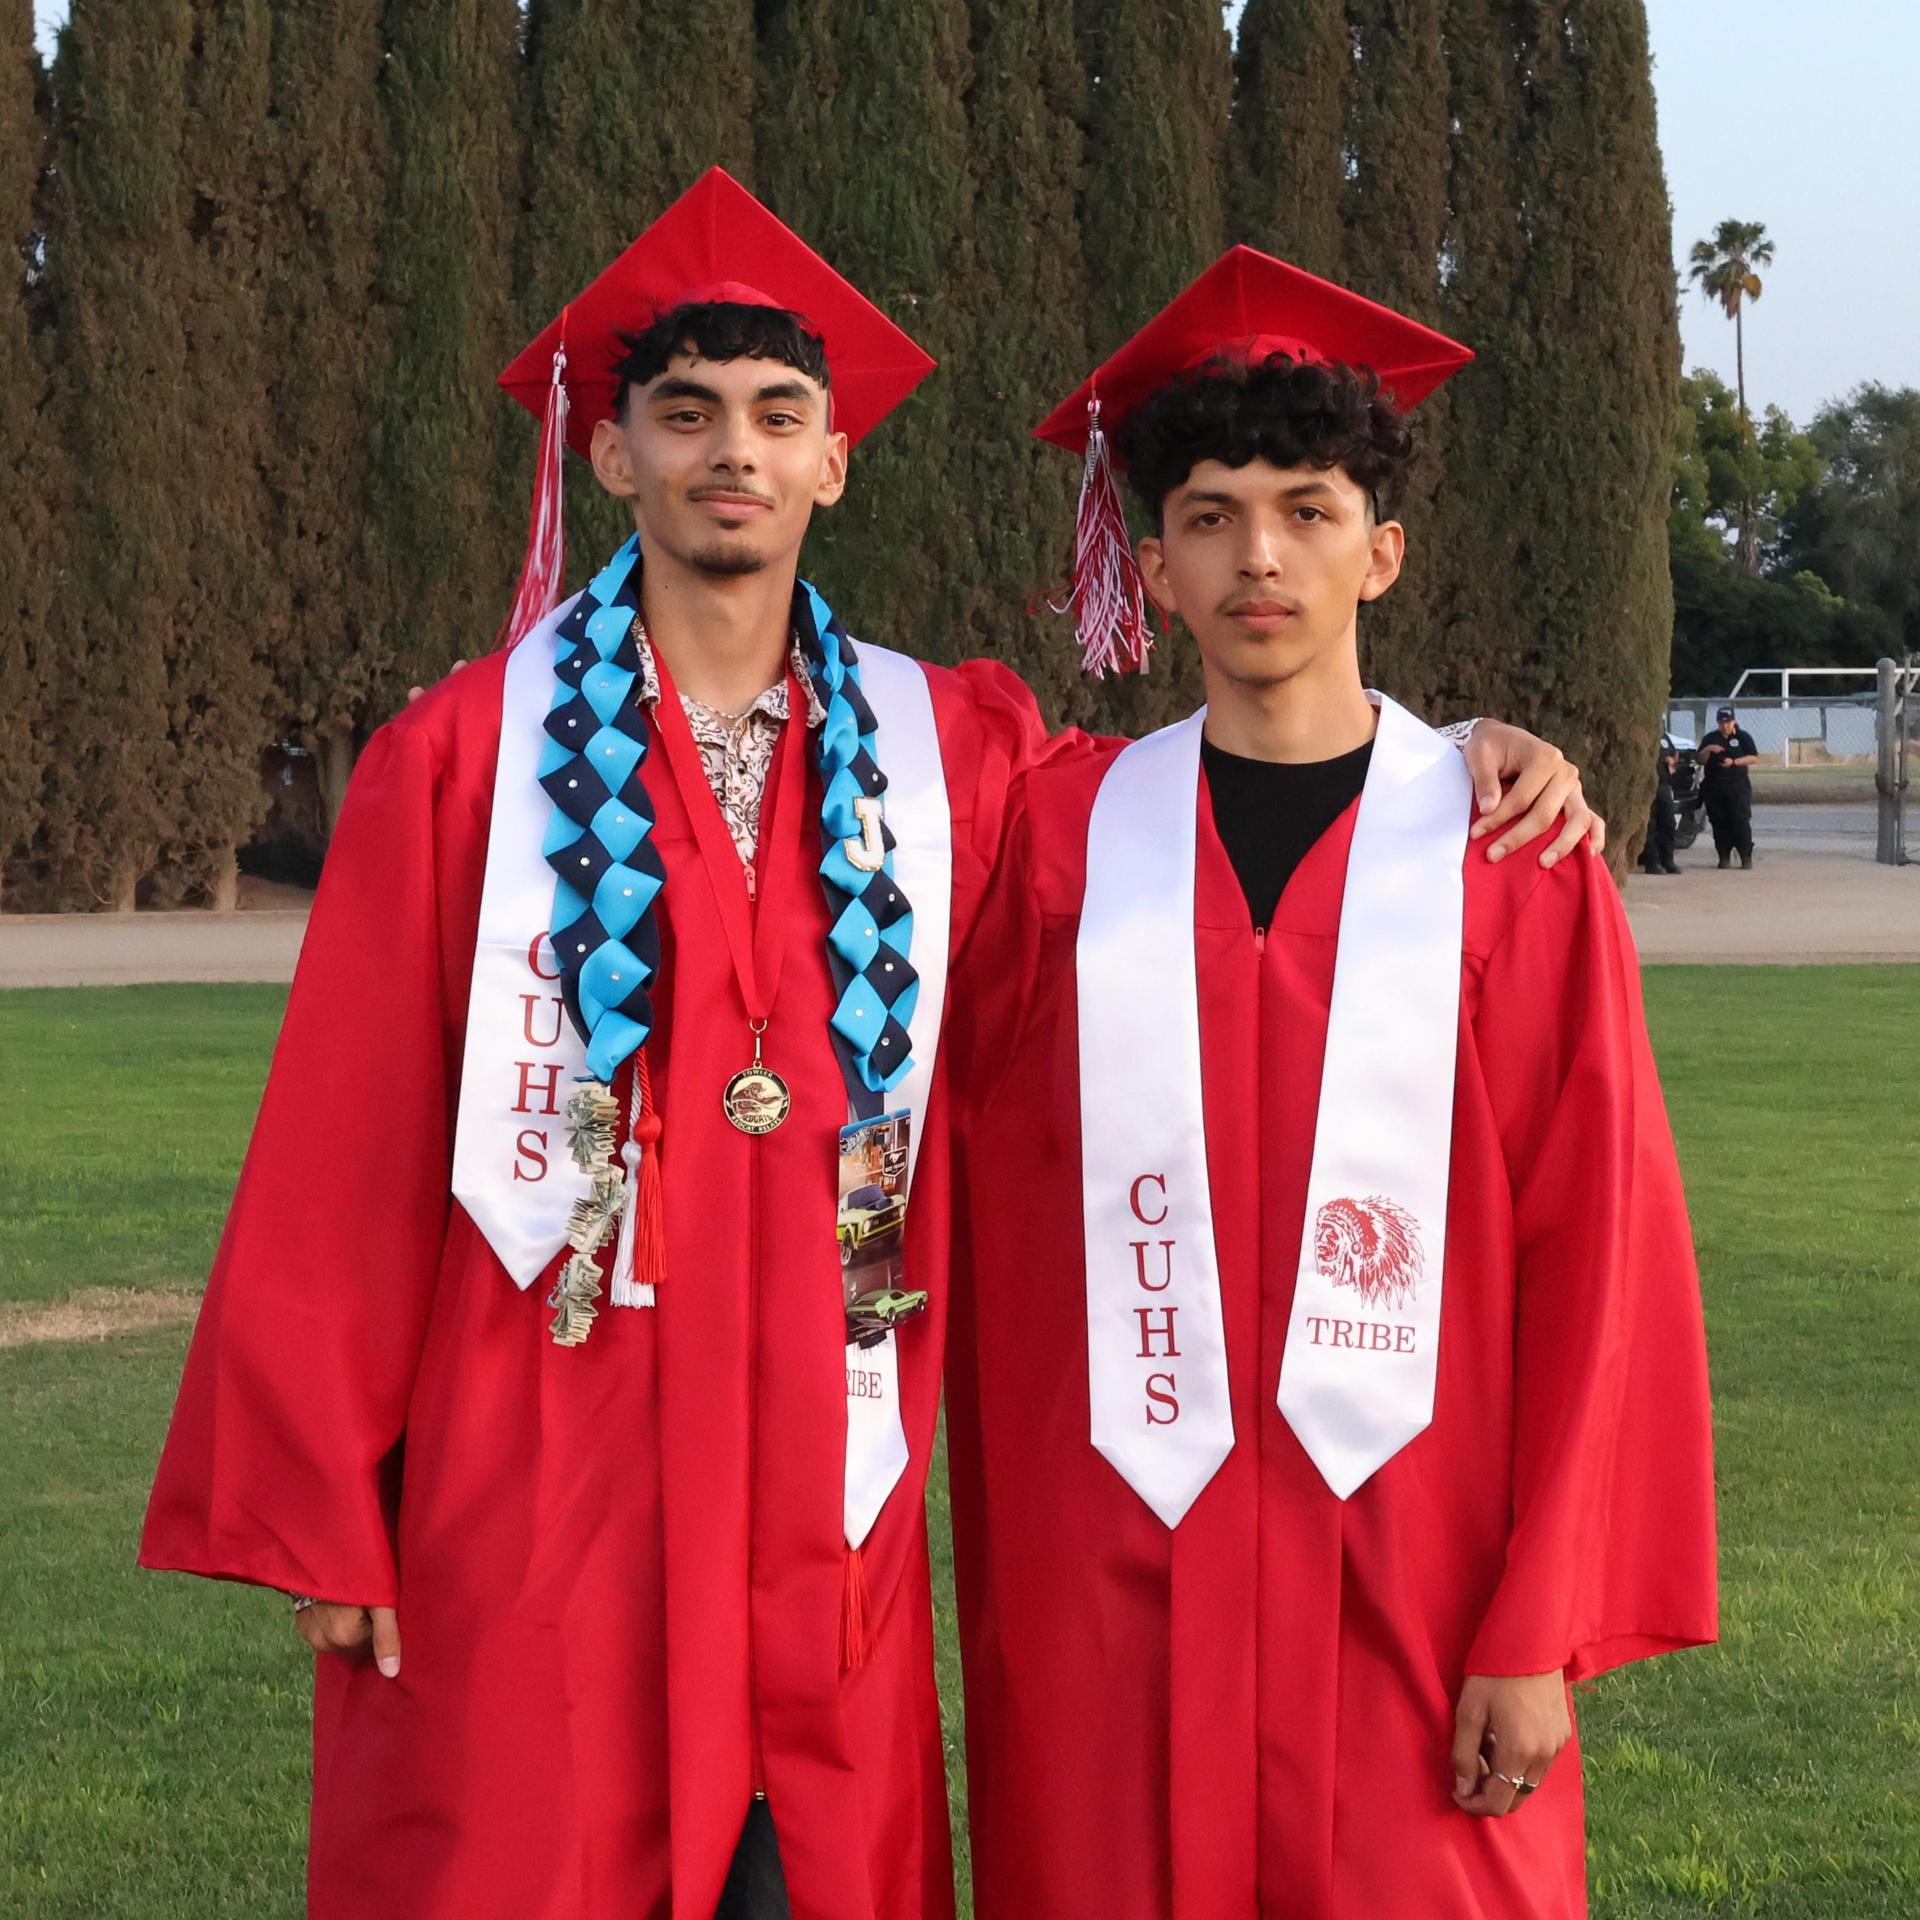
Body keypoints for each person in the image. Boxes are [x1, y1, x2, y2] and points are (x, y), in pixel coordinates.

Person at [140, 174, 1596, 1920]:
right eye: (682, 417)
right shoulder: (465, 763)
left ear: (834, 460)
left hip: (825, 1496)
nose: (729, 455)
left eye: (775, 416)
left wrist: (1464, 761)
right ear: (612, 456)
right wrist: (322, 1502)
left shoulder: (948, 753)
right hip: (536, 1463)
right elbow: (347, 1137)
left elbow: (1219, 812)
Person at [943, 247, 1717, 1920]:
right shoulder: (1055, 846)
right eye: (1211, 515)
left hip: (1419, 1588)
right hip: (1113, 1581)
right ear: (1149, 566)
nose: (1260, 555)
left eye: (1307, 507)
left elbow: (1599, 1265)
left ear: (1386, 548)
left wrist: (1542, 1624)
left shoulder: (1510, 858)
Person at [1700, 704, 1760, 867]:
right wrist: (1709, 749)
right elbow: (1701, 759)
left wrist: (1734, 762)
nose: (1725, 726)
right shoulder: (1711, 738)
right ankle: (1723, 855)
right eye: (1721, 723)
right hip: (1715, 787)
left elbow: (1754, 758)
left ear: (1734, 721)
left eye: (1728, 722)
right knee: (1719, 822)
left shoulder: (1742, 737)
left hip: (1738, 786)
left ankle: (1745, 856)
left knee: (1740, 820)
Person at [1640, 741, 1681, 874]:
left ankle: (1668, 860)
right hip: (1646, 785)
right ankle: (1652, 863)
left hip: (1663, 785)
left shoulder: (1663, 737)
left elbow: (1674, 753)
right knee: (1651, 826)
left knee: (1668, 823)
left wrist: (1672, 761)